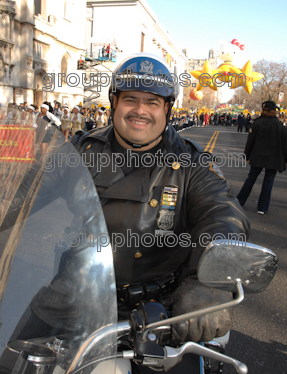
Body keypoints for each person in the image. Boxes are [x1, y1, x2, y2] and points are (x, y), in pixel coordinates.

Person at [71, 54, 249, 344]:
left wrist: (213, 281)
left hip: (159, 309)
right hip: (77, 295)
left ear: (167, 108)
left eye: (152, 102)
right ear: (114, 102)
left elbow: (223, 215)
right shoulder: (79, 149)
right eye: (130, 99)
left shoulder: (191, 162)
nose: (140, 110)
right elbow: (29, 188)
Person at [237, 101, 287, 214]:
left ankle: (240, 201)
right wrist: (285, 159)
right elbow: (285, 144)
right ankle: (262, 207)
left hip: (257, 156)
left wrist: (247, 155)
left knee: (251, 179)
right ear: (274, 111)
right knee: (268, 182)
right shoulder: (280, 125)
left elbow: (250, 141)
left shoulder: (257, 123)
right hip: (274, 158)